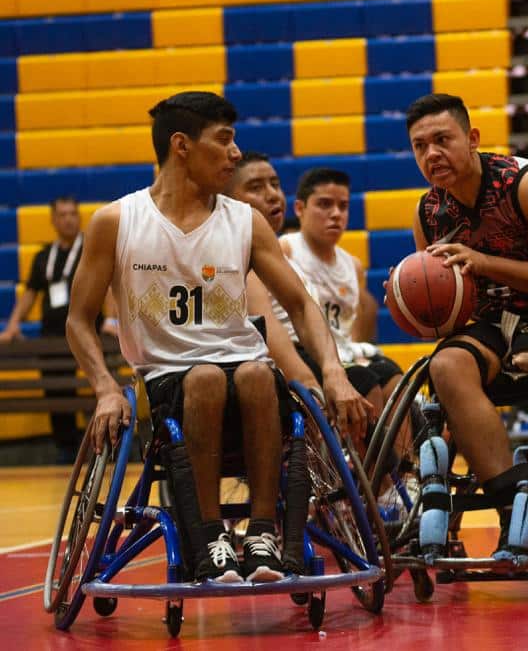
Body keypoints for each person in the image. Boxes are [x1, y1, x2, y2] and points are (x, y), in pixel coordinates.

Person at [66, 91, 364, 584]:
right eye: (224, 140)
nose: (235, 153)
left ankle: (263, 534)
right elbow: (78, 320)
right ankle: (210, 537)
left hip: (246, 374)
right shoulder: (117, 221)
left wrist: (333, 371)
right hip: (167, 380)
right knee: (204, 378)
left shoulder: (243, 222)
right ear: (181, 145)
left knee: (253, 373)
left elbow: (300, 304)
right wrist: (102, 387)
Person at [406, 93, 528, 553]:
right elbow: (448, 316)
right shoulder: (428, 212)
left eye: (442, 139)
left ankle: (512, 513)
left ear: (472, 139)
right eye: (420, 146)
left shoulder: (527, 182)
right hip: (494, 324)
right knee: (446, 366)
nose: (432, 154)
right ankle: (511, 512)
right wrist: (414, 302)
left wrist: (482, 262)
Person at [226, 152, 379, 413]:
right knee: (367, 383)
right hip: (268, 369)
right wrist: (312, 386)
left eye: (275, 184)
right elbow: (270, 331)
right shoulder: (252, 256)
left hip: (318, 354)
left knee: (387, 376)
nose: (272, 194)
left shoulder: (283, 259)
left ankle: (400, 455)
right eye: (255, 187)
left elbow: (308, 310)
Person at [278, 167, 403, 410]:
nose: (336, 214)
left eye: (343, 206)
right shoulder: (285, 250)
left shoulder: (353, 265)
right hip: (303, 351)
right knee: (366, 382)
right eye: (324, 204)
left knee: (393, 377)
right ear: (300, 209)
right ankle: (367, 449)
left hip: (342, 353)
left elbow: (350, 332)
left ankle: (406, 449)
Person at [0, 197, 113, 463]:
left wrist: (112, 320)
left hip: (88, 332)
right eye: (62, 215)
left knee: (97, 384)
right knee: (57, 392)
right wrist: (13, 325)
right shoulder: (43, 256)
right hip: (53, 335)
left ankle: (103, 447)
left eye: (73, 214)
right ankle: (65, 450)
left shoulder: (89, 249)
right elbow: (30, 294)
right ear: (53, 219)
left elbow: (107, 285)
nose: (69, 219)